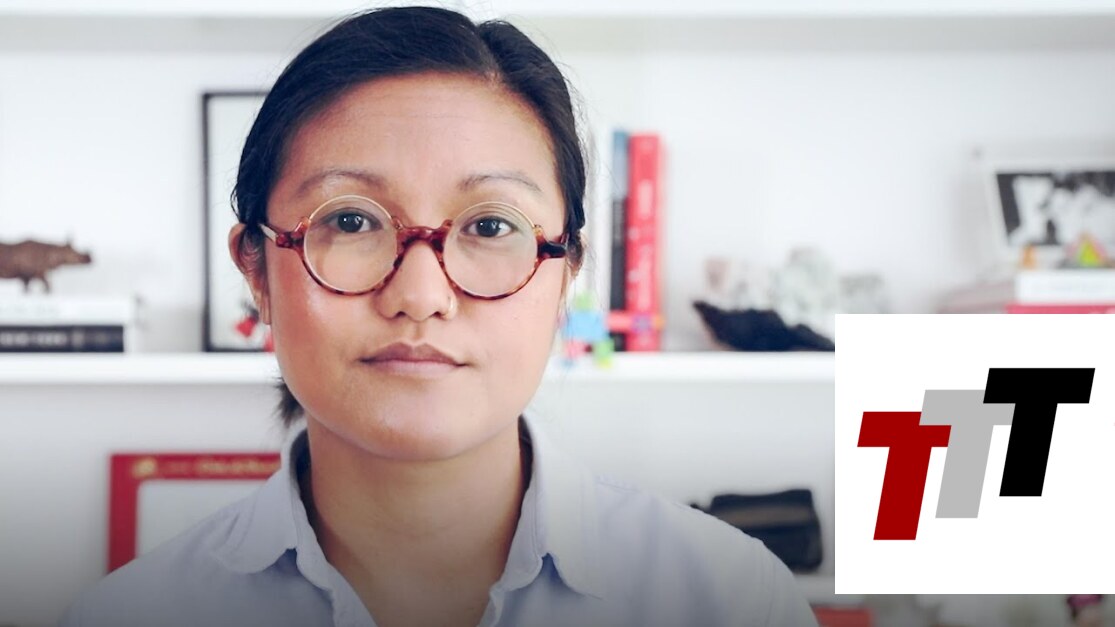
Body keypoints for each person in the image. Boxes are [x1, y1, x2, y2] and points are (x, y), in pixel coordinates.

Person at [61, 6, 818, 627]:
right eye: (351, 221)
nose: (421, 295)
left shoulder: (730, 600)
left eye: (490, 225)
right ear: (256, 269)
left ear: (567, 274)